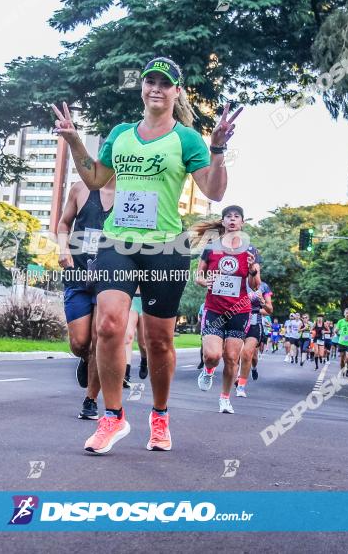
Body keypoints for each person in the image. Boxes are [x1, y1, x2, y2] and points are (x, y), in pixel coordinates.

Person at [52, 56, 242, 454]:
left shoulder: (186, 138)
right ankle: (113, 417)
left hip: (167, 248)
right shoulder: (121, 133)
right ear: (142, 88)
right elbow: (95, 179)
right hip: (117, 242)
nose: (156, 88)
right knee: (108, 326)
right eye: (149, 81)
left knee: (158, 342)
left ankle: (159, 416)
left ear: (176, 91)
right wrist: (72, 140)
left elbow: (215, 192)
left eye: (164, 83)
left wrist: (219, 149)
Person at [57, 178, 115, 420]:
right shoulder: (80, 188)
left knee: (99, 341)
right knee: (80, 343)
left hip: (112, 277)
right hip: (78, 274)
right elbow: (63, 225)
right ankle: (84, 358)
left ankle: (90, 400)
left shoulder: (134, 192)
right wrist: (63, 249)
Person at [194, 205, 261, 413]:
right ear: (223, 222)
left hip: (239, 310)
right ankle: (208, 369)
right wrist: (206, 283)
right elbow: (198, 276)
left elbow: (256, 285)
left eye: (236, 217)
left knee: (232, 358)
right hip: (214, 308)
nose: (232, 220)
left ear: (242, 222)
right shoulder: (211, 247)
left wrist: (252, 270)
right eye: (228, 217)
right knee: (213, 355)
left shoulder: (251, 251)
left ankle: (224, 398)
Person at [237, 280, 272, 397]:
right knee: (234, 355)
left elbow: (269, 310)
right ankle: (238, 380)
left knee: (249, 355)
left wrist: (258, 306)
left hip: (254, 325)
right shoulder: (237, 280)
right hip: (237, 323)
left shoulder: (263, 286)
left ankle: (253, 369)